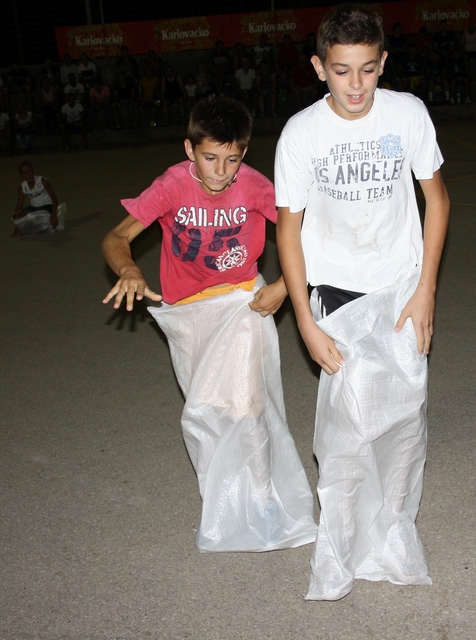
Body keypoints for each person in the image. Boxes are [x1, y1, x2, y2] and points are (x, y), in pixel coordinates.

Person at [274, 4, 450, 601]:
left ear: (383, 64)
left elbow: (437, 200)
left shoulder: (408, 114)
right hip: (337, 293)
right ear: (320, 67)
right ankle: (340, 548)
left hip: (401, 286)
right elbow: (289, 230)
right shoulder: (302, 132)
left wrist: (426, 288)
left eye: (369, 70)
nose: (356, 86)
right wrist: (303, 318)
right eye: (343, 71)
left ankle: (392, 536)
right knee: (347, 430)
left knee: (403, 420)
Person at [101, 96, 317, 554]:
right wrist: (129, 270)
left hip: (242, 303)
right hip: (187, 314)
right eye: (210, 158)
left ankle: (260, 502)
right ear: (189, 149)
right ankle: (222, 500)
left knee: (245, 406)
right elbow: (117, 237)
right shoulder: (172, 186)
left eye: (232, 159)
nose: (220, 171)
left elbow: (308, 233)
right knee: (209, 407)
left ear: (245, 154)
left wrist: (282, 285)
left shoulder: (256, 187)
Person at [11, 161, 61, 236]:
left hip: (47, 205)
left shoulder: (42, 181)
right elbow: (19, 205)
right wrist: (17, 218)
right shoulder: (23, 186)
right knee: (16, 217)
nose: (27, 174)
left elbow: (54, 198)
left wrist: (54, 216)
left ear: (33, 171)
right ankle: (20, 229)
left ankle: (29, 227)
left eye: (29, 171)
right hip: (34, 207)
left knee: (38, 216)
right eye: (24, 173)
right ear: (21, 175)